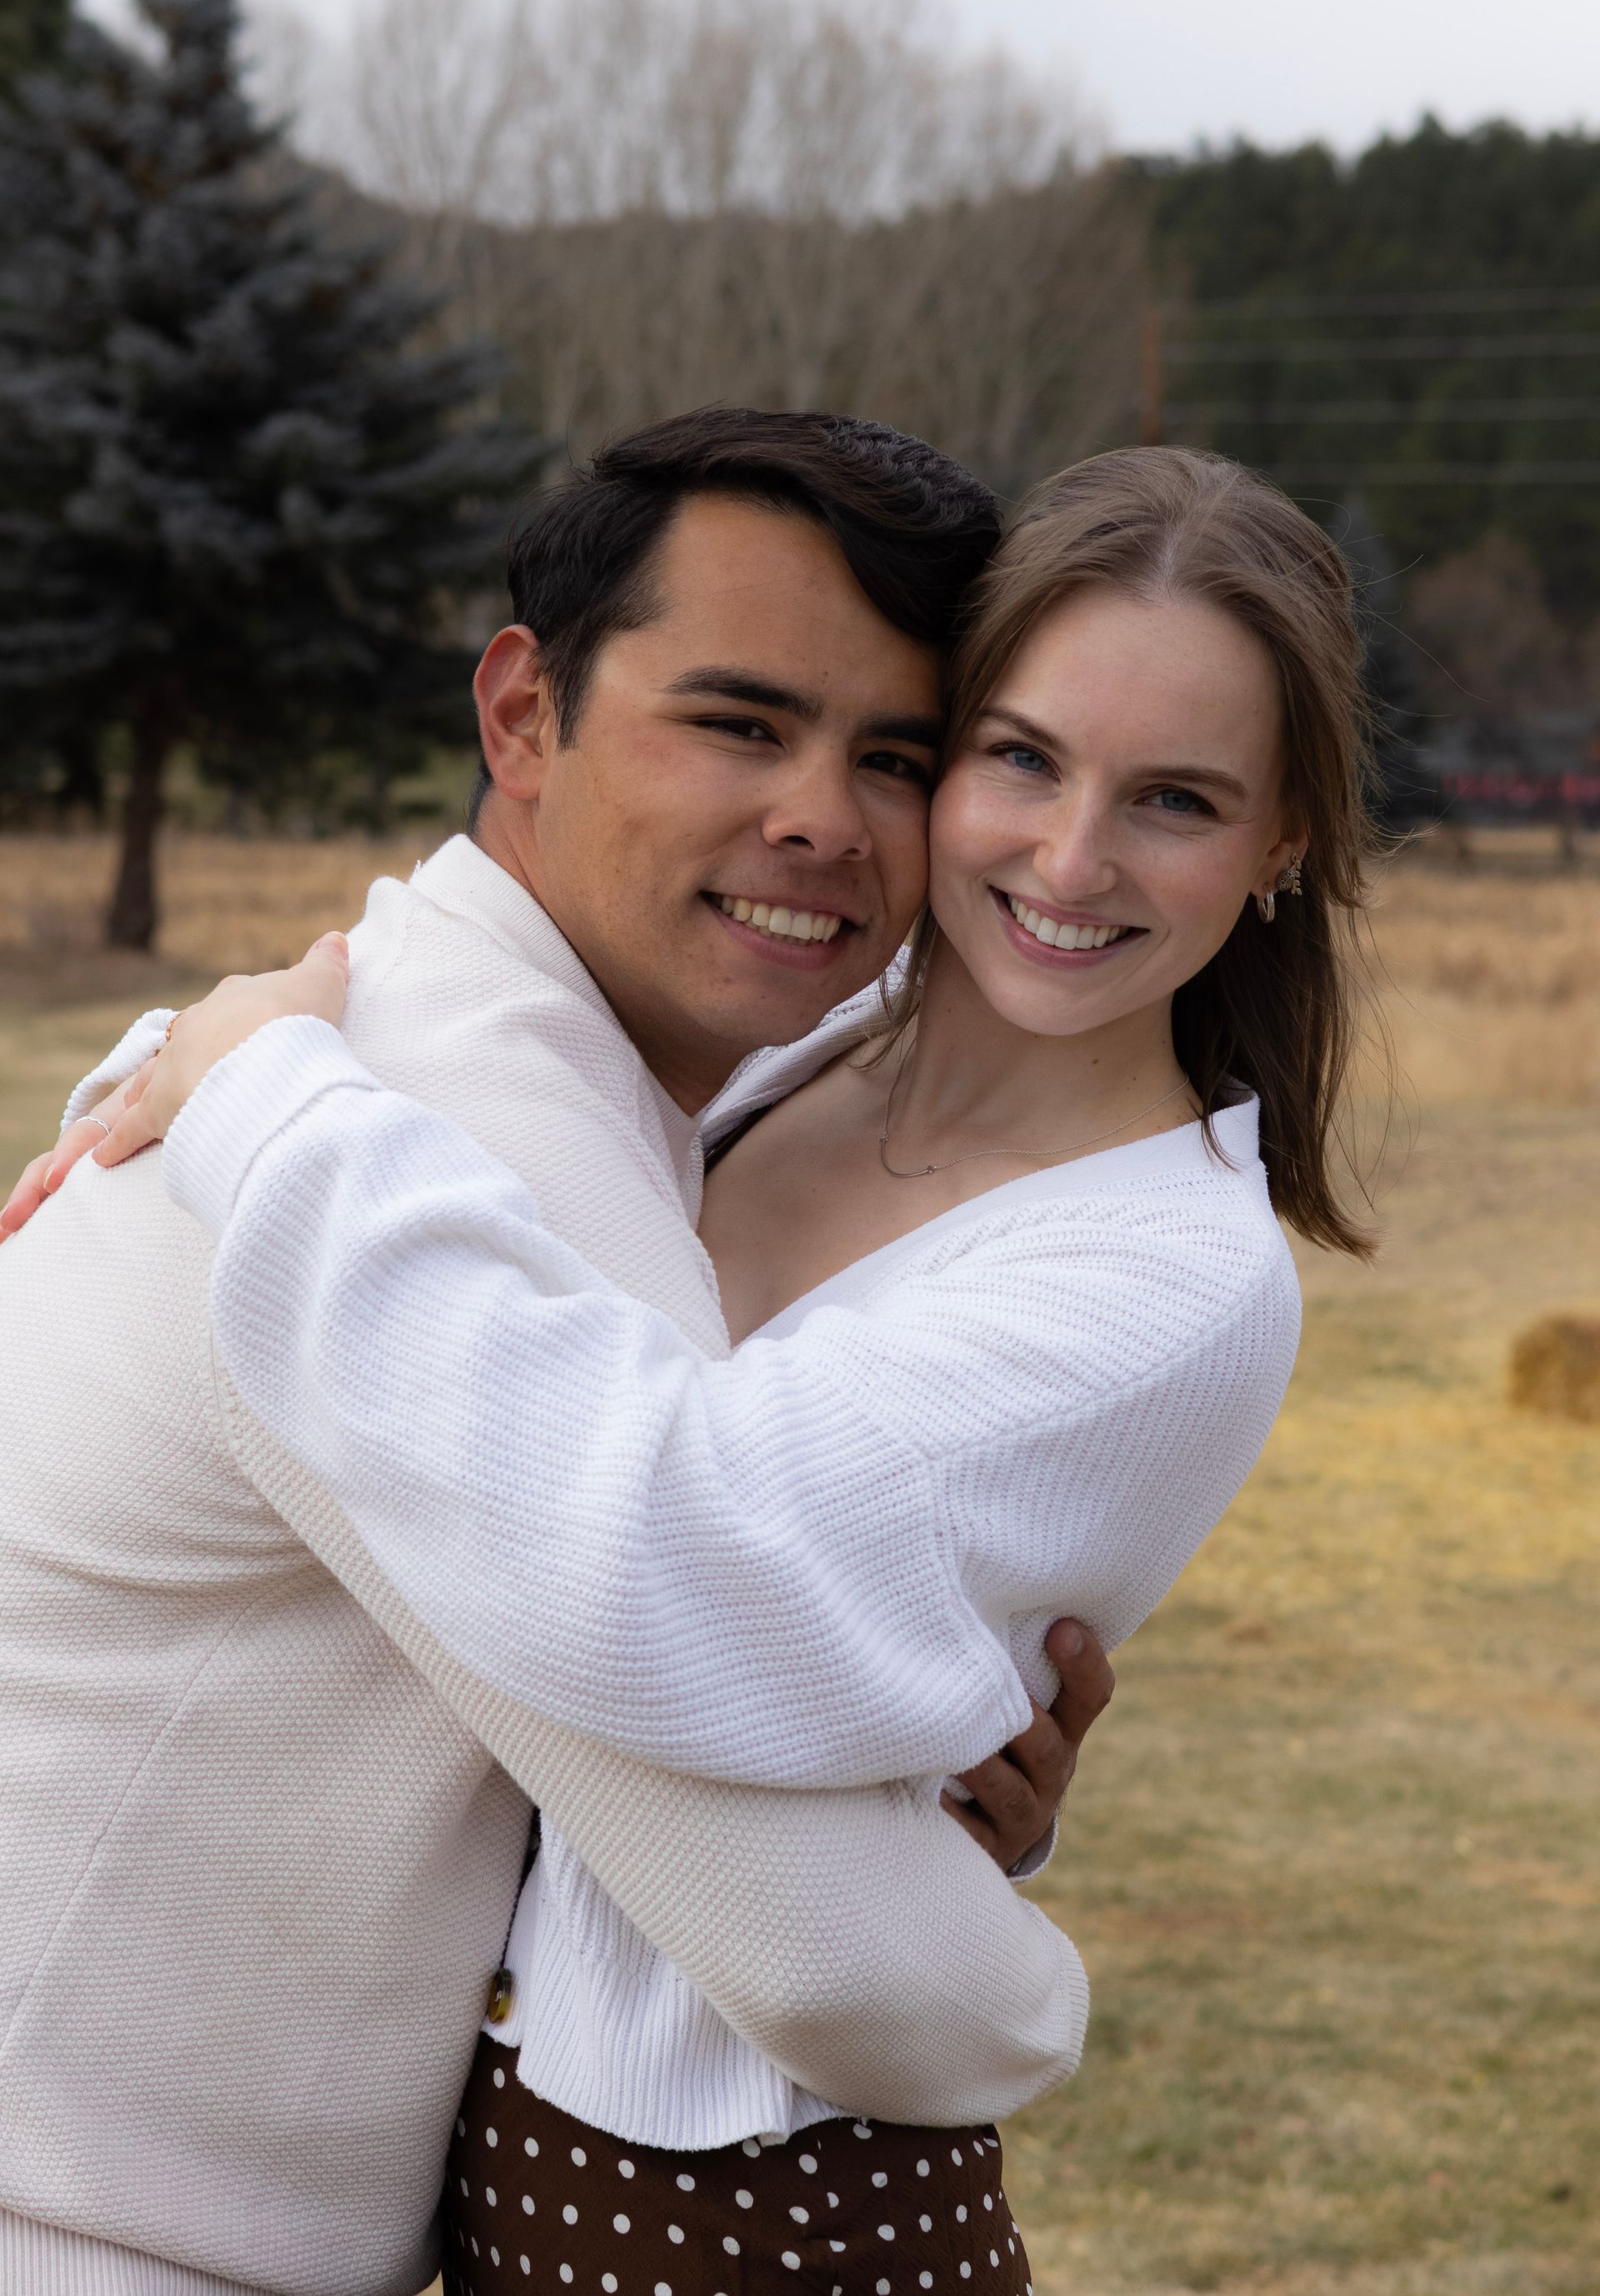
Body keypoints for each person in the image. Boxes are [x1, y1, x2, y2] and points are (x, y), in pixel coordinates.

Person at [70, 445, 1381, 2296]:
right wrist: (184, 1054)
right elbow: (473, 1127)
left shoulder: (1172, 1272)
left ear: (1285, 845)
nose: (1070, 861)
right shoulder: (815, 1038)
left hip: (755, 2193)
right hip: (482, 2128)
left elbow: (669, 1560)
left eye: (1175, 799)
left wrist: (263, 1103)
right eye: (1015, 758)